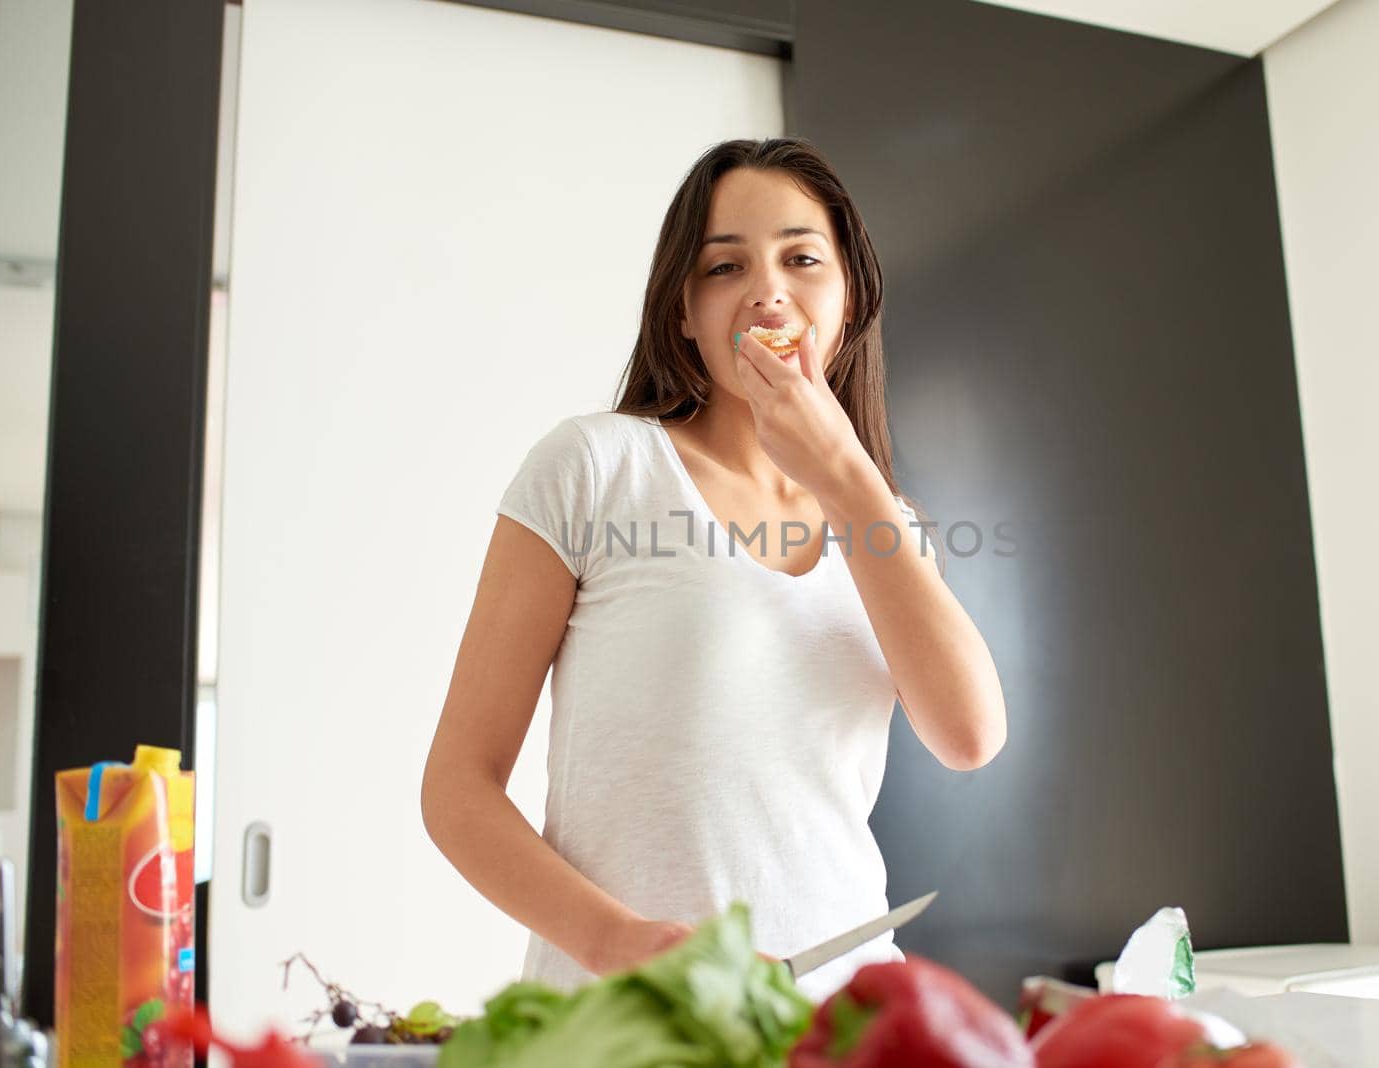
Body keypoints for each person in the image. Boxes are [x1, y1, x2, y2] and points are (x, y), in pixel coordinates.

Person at [420, 137, 1007, 1004]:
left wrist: (845, 476)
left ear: (847, 299)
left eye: (802, 258)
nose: (769, 289)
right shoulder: (596, 466)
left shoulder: (887, 525)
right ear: (684, 314)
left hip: (834, 1024)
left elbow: (970, 737)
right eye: (724, 267)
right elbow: (457, 790)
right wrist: (617, 941)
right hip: (626, 1020)